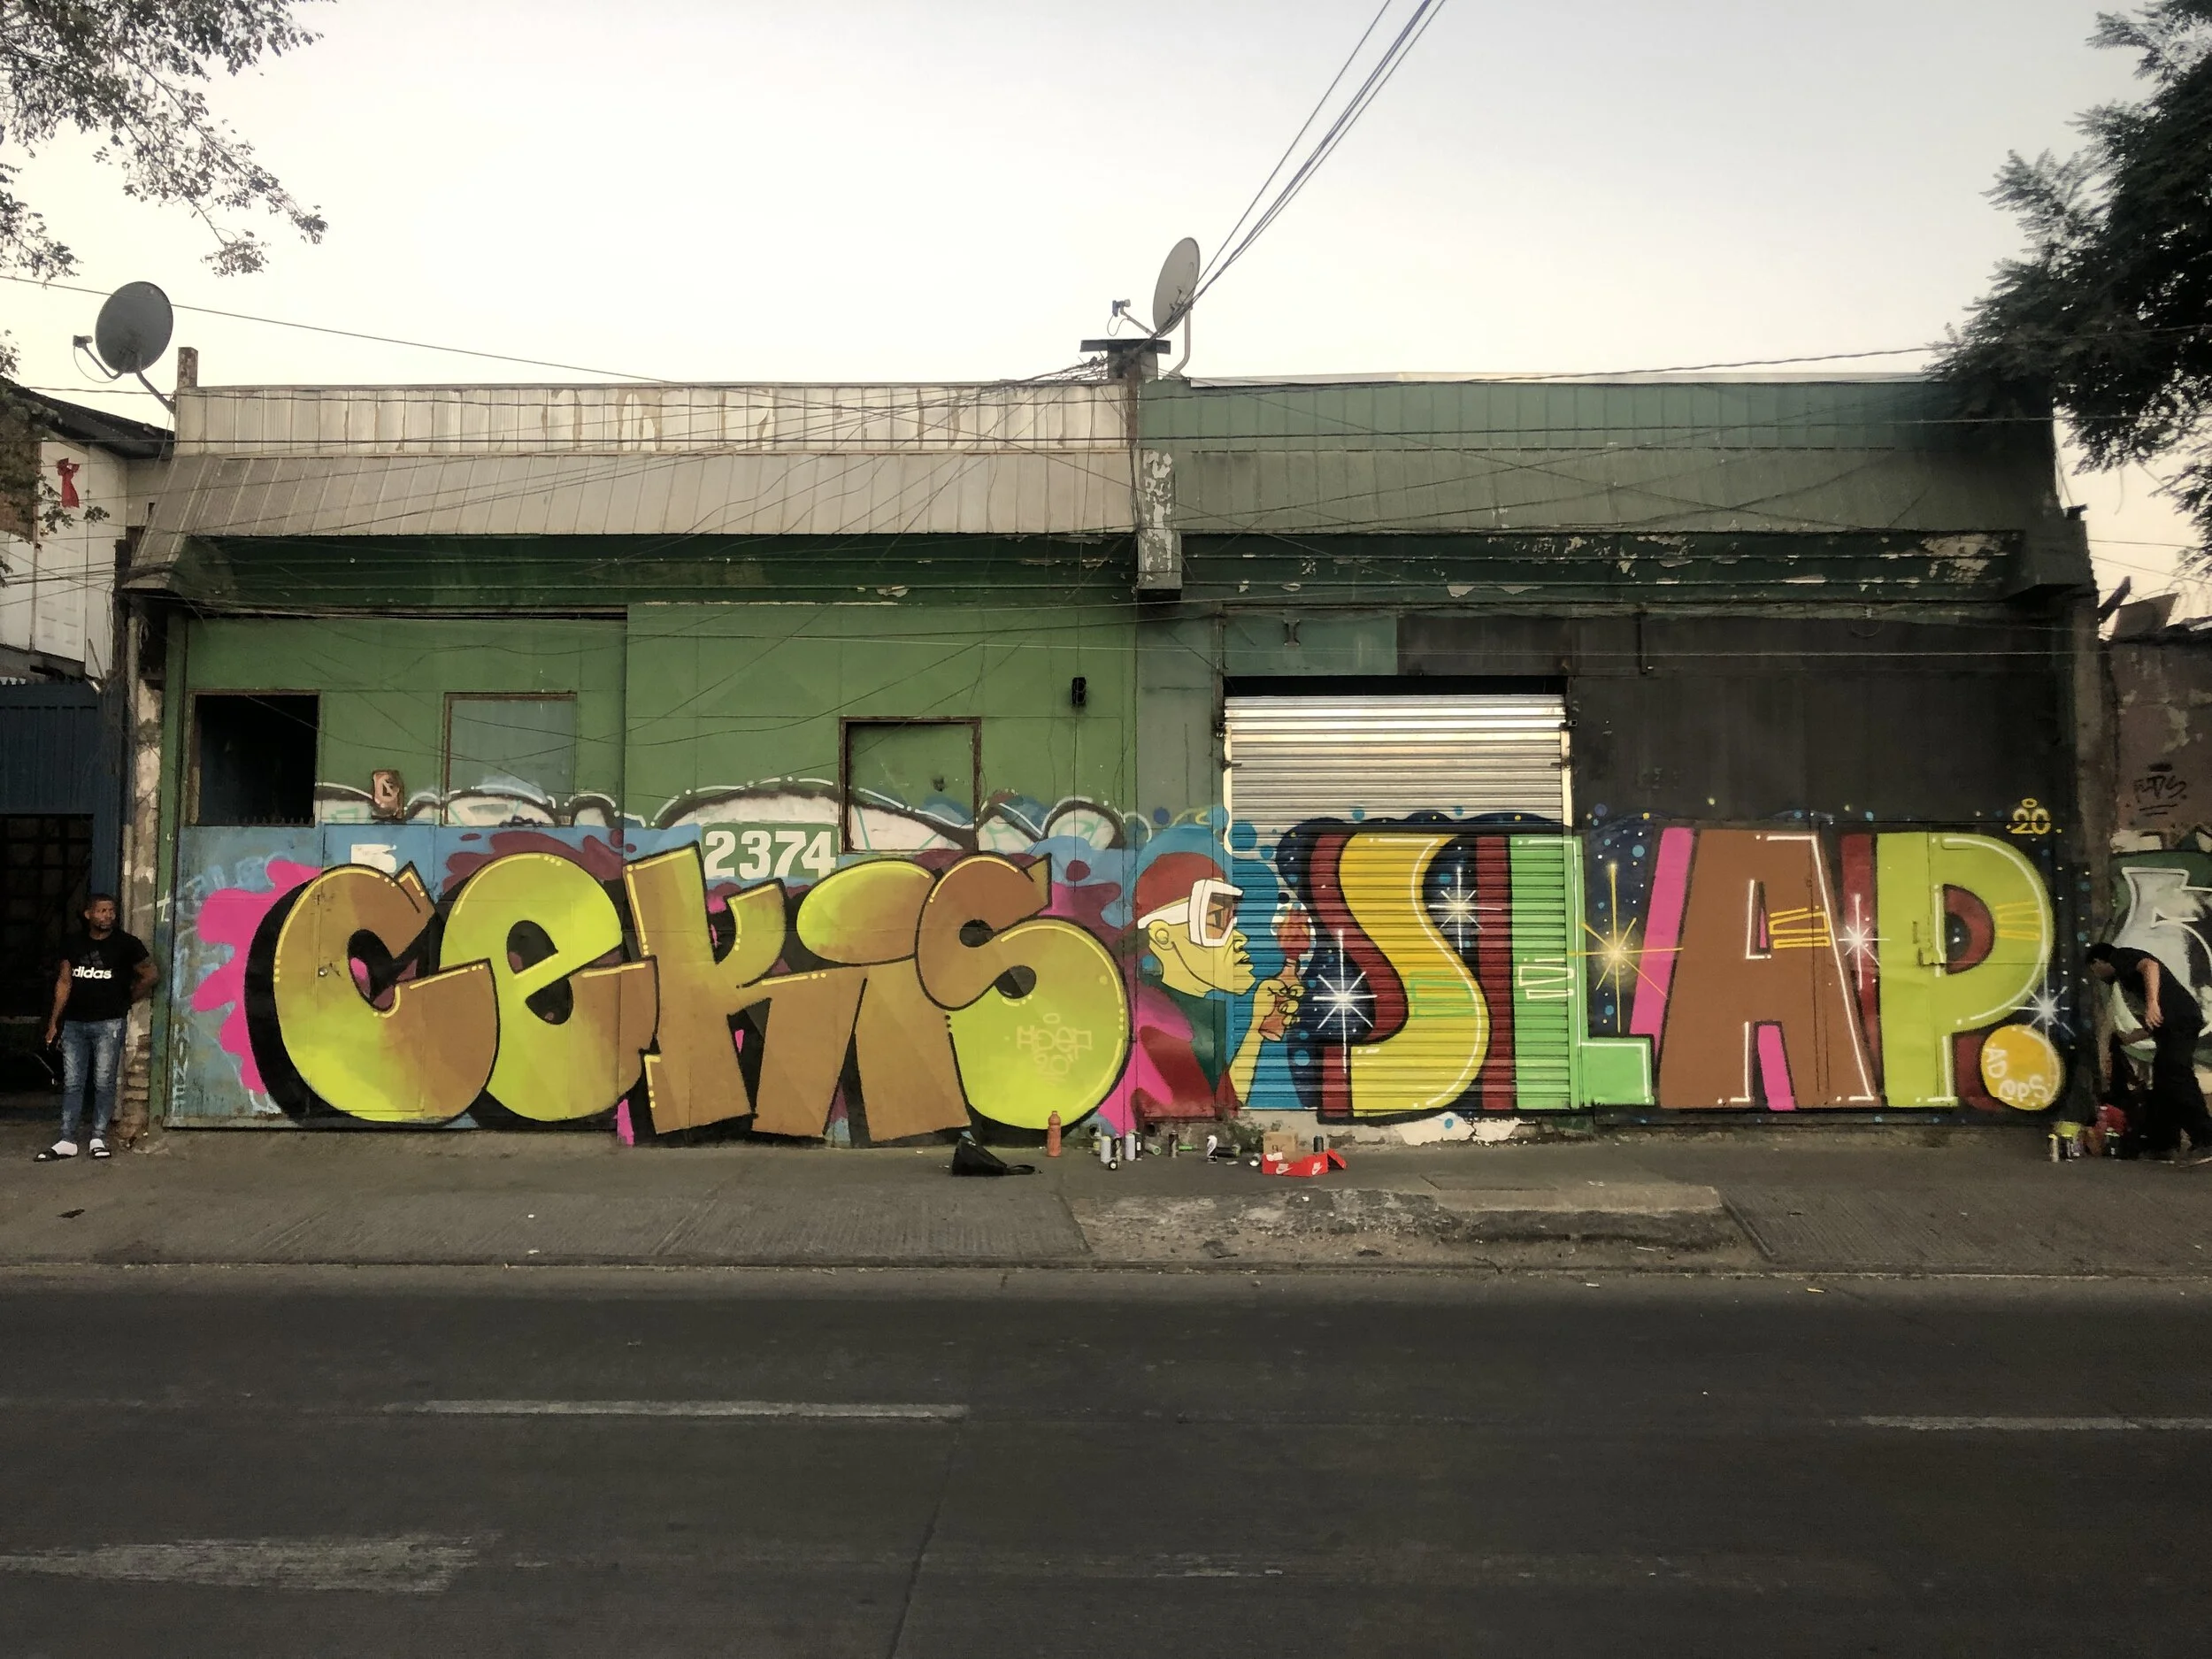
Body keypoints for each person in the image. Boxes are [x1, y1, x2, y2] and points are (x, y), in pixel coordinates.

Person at [1118, 853, 1299, 1130]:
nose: (1239, 937)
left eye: (1232, 917)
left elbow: (1225, 1102)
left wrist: (1255, 1030)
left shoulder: (1210, 1013)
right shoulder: (1151, 1021)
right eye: (1216, 919)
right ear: (1163, 936)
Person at [36, 894, 157, 1164]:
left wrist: (127, 999)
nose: (107, 916)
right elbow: (64, 982)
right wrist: (54, 1022)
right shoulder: (72, 943)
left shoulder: (127, 944)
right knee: (73, 1082)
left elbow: (150, 974)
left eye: (111, 911)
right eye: (101, 911)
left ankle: (98, 1138)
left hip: (108, 1023)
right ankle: (66, 1140)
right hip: (74, 1024)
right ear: (88, 914)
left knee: (104, 1082)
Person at [2086, 941, 2211, 1165]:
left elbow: (2150, 966)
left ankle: (2206, 1139)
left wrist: (2152, 1003)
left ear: (2097, 962)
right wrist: (2133, 1037)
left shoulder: (2119, 957)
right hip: (2173, 1024)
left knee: (2176, 1073)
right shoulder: (2126, 977)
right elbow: (2156, 1019)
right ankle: (2164, 1144)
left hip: (2180, 1020)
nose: (2097, 976)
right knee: (2163, 1080)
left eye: (2094, 970)